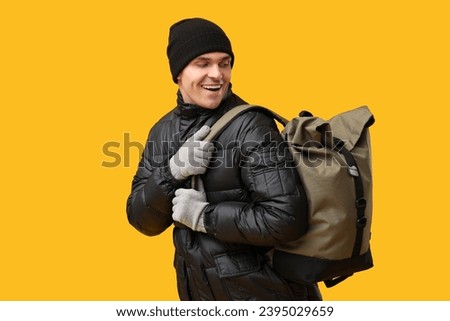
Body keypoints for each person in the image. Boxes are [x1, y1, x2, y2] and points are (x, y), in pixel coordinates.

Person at [126, 17, 322, 301]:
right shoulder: (162, 131)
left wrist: (203, 216)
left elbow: (286, 219)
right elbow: (142, 220)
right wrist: (172, 172)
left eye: (224, 63)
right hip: (200, 294)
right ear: (178, 72)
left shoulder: (251, 125)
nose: (217, 74)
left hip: (265, 297)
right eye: (202, 63)